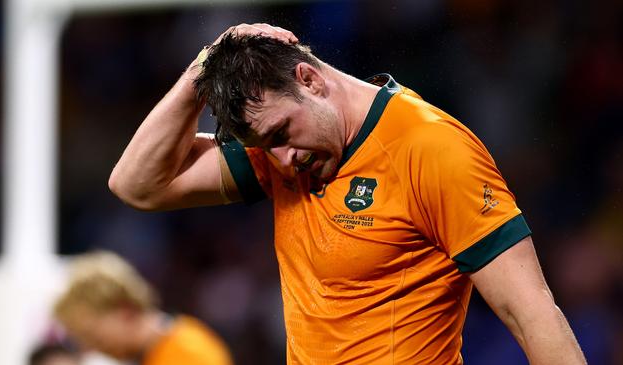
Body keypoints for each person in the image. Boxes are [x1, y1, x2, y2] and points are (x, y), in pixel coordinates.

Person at [108, 23, 586, 364]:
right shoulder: (280, 150)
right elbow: (137, 185)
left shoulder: (430, 149)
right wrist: (205, 65)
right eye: (264, 147)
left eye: (280, 134)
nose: (282, 161)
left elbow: (530, 312)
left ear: (310, 80)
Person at [53, 251, 233, 365]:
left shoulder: (189, 353)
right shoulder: (154, 352)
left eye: (93, 336)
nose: (91, 347)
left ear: (125, 311)